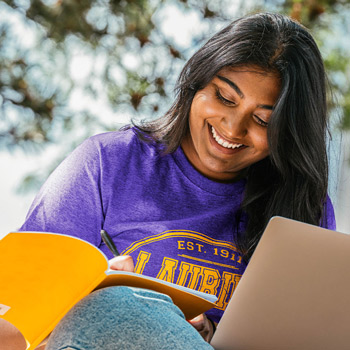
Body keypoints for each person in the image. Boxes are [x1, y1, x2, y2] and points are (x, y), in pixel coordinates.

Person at [19, 12, 336, 349]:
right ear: (196, 83)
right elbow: (16, 317)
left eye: (262, 120)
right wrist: (91, 293)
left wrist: (206, 333)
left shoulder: (301, 208)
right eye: (224, 98)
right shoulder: (108, 163)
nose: (232, 127)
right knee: (116, 306)